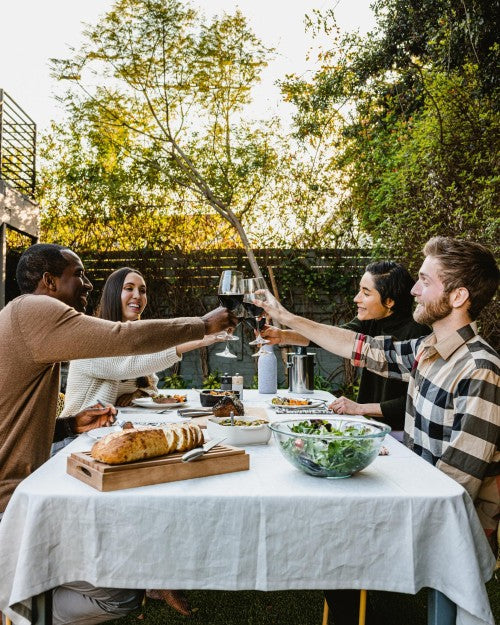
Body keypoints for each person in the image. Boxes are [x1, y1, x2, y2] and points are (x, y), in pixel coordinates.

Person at [257, 237, 499, 625]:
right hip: (417, 496)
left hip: (441, 521)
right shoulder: (427, 349)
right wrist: (286, 318)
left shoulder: (480, 368)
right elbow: (360, 346)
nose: (415, 290)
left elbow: (456, 484)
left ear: (457, 297)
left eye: (424, 280)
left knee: (337, 529)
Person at [0, 243, 235, 625]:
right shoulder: (35, 308)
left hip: (32, 481)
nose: (87, 283)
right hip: (11, 501)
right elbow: (124, 340)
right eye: (78, 274)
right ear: (48, 282)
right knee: (121, 595)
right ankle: (19, 600)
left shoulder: (24, 318)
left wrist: (67, 426)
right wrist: (203, 325)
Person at [261, 261, 430, 437]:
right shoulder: (370, 320)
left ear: (389, 301)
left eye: (366, 293)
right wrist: (283, 335)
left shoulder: (417, 334)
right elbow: (333, 337)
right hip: (368, 424)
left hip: (400, 434)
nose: (356, 298)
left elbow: (413, 401)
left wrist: (359, 408)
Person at [60, 266, 224, 419]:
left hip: (111, 428)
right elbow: (125, 367)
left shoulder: (135, 340)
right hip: (75, 436)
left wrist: (138, 394)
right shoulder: (90, 338)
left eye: (142, 290)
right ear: (113, 294)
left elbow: (152, 388)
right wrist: (197, 339)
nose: (138, 295)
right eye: (129, 288)